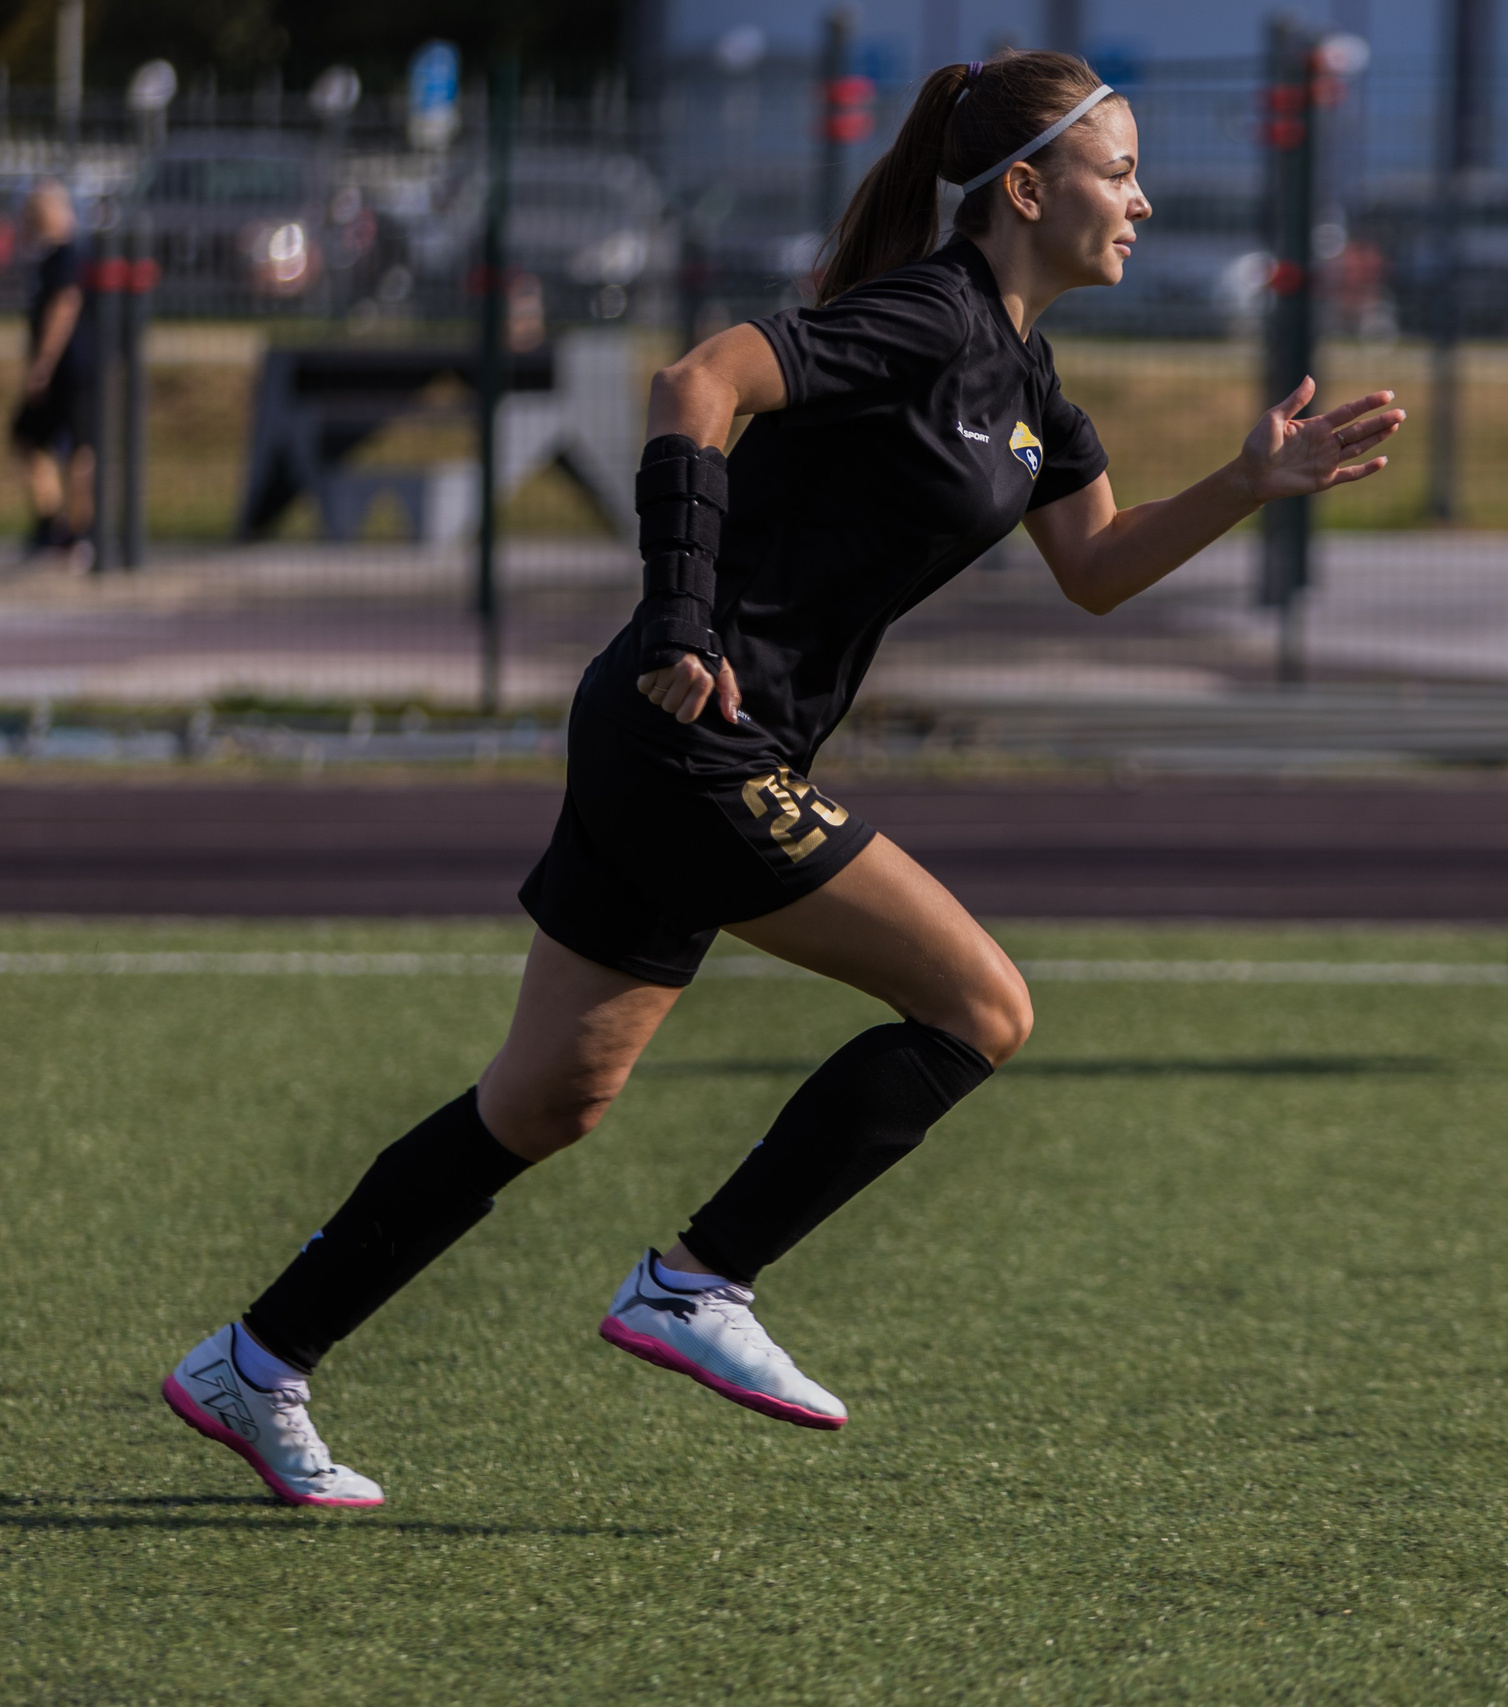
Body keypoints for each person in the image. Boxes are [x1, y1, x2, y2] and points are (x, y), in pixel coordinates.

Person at [160, 50, 1404, 1508]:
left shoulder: (1029, 382)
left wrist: (1247, 487)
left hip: (681, 741)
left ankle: (254, 1359)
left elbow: (1098, 567)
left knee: (546, 1099)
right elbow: (699, 382)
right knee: (981, 1003)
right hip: (687, 727)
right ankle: (699, 1281)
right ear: (1024, 186)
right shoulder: (930, 313)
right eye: (1117, 169)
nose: (1142, 198)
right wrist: (683, 610)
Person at [10, 180, 94, 568]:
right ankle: (52, 523)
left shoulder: (66, 255)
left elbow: (65, 306)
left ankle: (80, 533)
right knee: (28, 437)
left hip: (72, 367)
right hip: (59, 369)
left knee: (79, 450)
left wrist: (43, 364)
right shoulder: (46, 258)